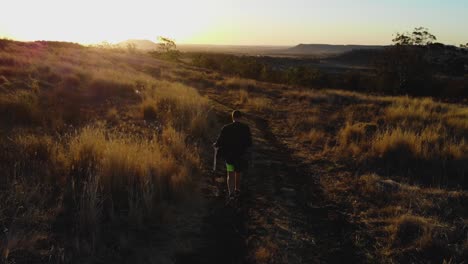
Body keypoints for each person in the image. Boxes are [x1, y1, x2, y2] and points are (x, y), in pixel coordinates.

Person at [213, 110, 252, 201]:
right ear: (241, 117)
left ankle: (231, 194)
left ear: (232, 117)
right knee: (238, 172)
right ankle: (237, 190)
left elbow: (220, 141)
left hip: (229, 157)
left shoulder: (226, 128)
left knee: (230, 174)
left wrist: (215, 145)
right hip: (241, 156)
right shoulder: (246, 128)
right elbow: (249, 143)